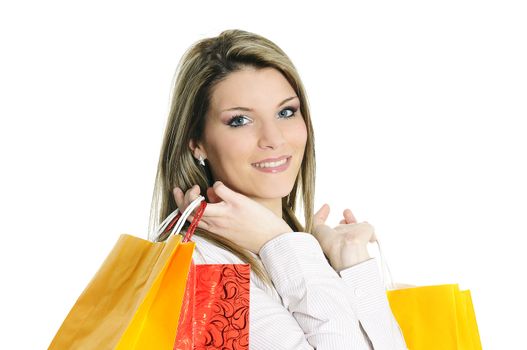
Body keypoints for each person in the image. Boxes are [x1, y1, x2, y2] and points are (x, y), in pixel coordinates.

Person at [148, 29, 408, 349]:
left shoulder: (306, 255)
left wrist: (351, 260)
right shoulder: (201, 270)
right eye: (240, 120)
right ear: (196, 143)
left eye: (286, 112)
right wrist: (278, 241)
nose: (273, 138)